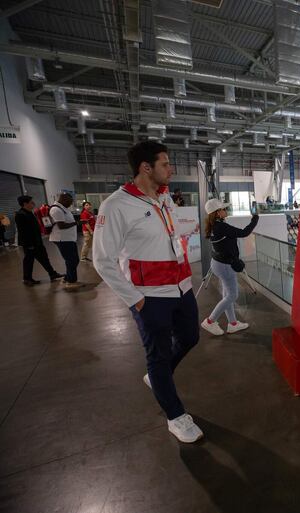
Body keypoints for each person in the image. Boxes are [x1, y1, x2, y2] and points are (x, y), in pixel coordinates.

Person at [93, 141, 203, 443]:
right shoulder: (116, 205)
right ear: (146, 168)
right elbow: (102, 260)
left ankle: (157, 376)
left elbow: (165, 237)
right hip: (149, 297)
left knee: (190, 337)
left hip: (182, 287)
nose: (171, 169)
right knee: (158, 353)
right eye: (165, 164)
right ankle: (175, 416)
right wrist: (136, 300)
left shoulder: (165, 198)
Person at [200, 198, 259, 336]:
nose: (226, 211)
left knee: (227, 295)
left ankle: (232, 324)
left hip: (217, 263)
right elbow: (244, 233)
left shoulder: (214, 225)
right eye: (223, 209)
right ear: (217, 212)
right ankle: (210, 321)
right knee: (232, 295)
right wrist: (255, 219)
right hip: (225, 266)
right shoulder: (221, 227)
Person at [14, 195, 63, 285]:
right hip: (30, 244)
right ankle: (27, 279)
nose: (34, 204)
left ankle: (52, 274)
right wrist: (29, 245)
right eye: (31, 202)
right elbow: (23, 232)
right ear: (25, 204)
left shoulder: (29, 212)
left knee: (44, 258)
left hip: (37, 241)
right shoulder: (20, 215)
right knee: (29, 261)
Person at [49, 193, 85, 290]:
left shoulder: (63, 208)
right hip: (62, 239)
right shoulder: (56, 209)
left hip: (68, 239)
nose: (70, 204)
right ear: (64, 199)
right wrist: (77, 223)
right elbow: (61, 226)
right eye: (69, 202)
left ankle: (67, 278)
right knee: (72, 260)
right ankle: (71, 282)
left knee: (72, 260)